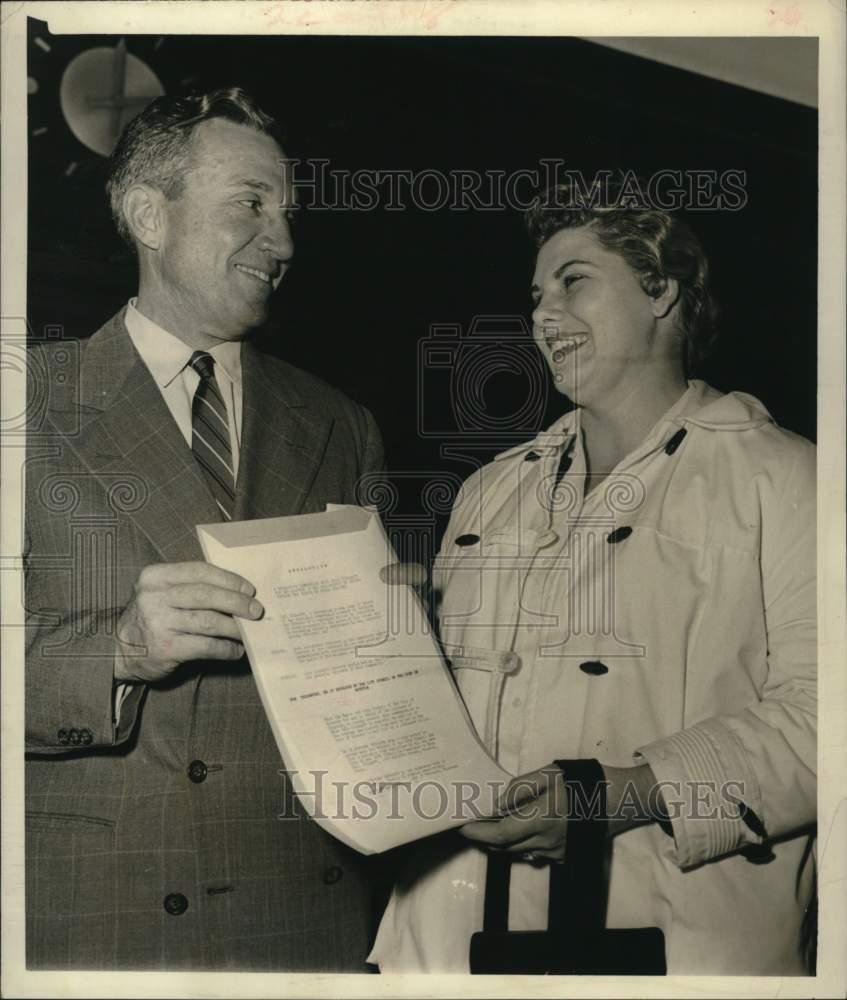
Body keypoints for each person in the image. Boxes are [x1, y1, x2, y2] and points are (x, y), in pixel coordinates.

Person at [369, 179, 817, 974]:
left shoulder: (788, 479)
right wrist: (399, 639)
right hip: (446, 940)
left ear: (661, 290)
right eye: (535, 294)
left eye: (574, 281)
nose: (541, 315)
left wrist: (622, 794)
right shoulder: (491, 488)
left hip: (676, 944)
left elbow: (828, 723)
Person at [24, 88, 386, 970]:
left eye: (288, 212)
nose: (285, 240)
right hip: (95, 915)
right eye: (251, 204)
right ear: (150, 215)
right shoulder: (26, 399)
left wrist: (398, 643)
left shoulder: (342, 425)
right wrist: (117, 650)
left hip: (301, 917)